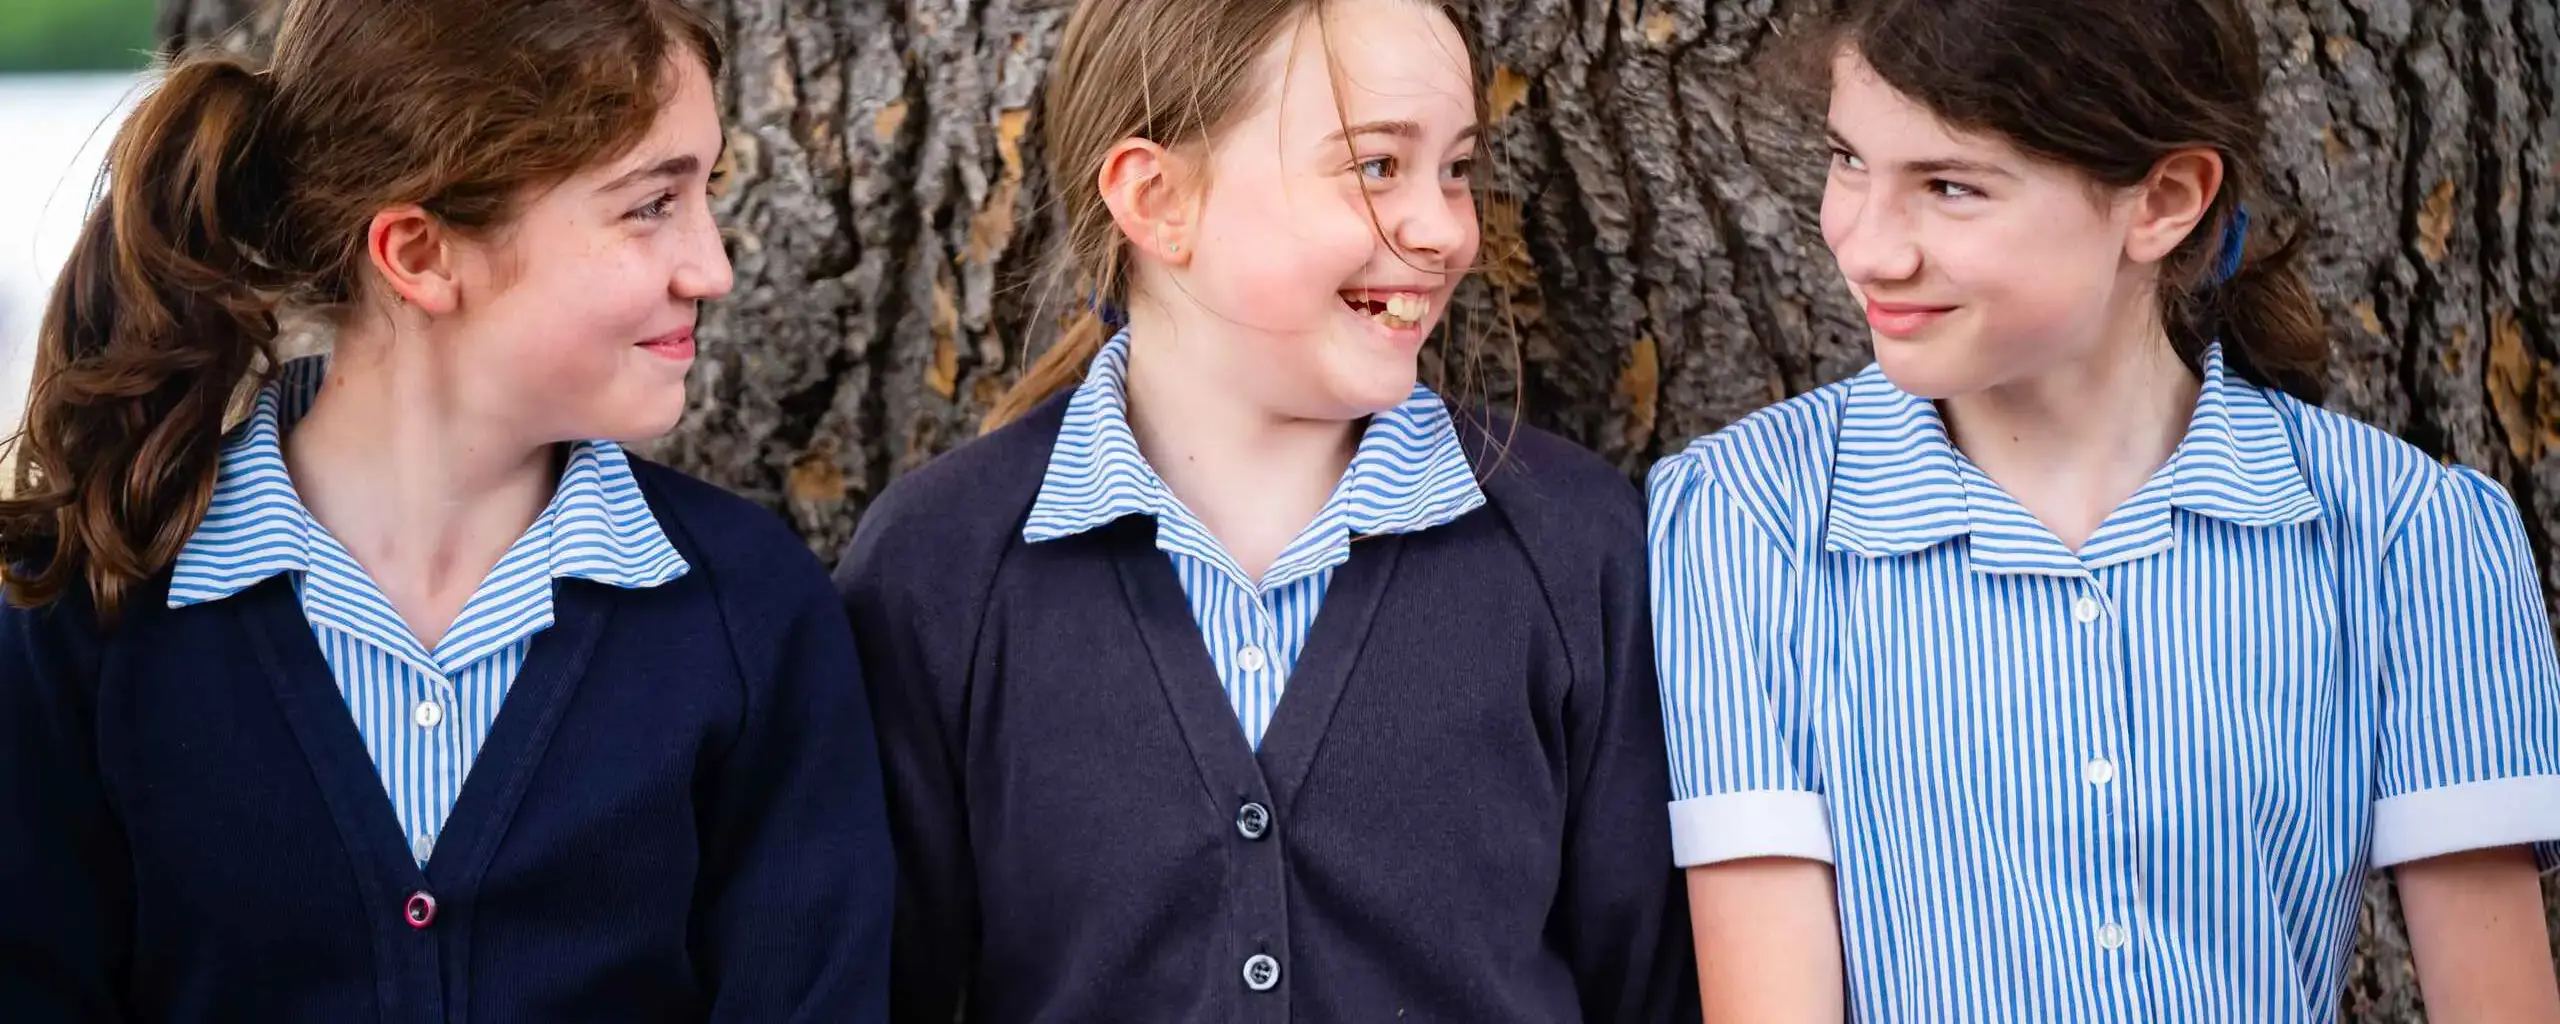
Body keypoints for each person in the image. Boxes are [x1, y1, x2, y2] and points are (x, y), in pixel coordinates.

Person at [1649, 0, 2560, 1019]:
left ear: (2165, 198)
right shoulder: (1747, 519)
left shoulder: (2406, 537)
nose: (1866, 247)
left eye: (1949, 187)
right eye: (1847, 161)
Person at [0, 1, 893, 1018]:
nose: (715, 267)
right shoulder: (95, 612)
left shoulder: (750, 615)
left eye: (705, 194)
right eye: (650, 205)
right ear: (420, 254)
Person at [835, 0, 1694, 1019]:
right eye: (1377, 166)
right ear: (1156, 199)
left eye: (1455, 167)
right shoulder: (941, 572)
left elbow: (1652, 988)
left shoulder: (1573, 550)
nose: (1445, 230)